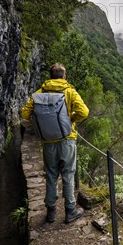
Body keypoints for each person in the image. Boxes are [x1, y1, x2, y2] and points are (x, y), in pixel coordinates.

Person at [21, 63, 89, 223]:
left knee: (51, 176)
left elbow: (25, 113)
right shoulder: (69, 92)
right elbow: (84, 112)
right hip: (67, 140)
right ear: (64, 76)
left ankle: (51, 212)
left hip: (48, 142)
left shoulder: (40, 93)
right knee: (68, 174)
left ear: (51, 76)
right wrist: (70, 119)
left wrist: (40, 125)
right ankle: (69, 211)